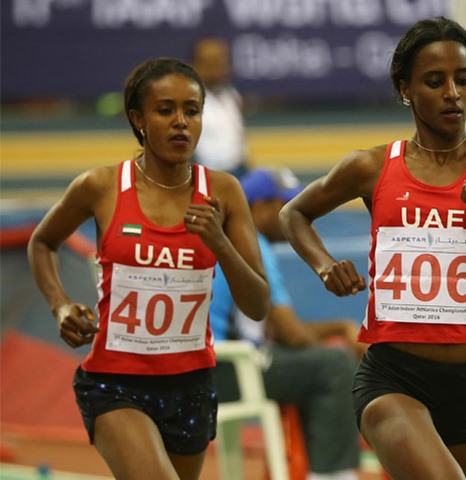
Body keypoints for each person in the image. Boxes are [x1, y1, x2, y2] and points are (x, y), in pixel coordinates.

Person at [279, 16, 466, 480]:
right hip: (392, 378)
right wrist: (324, 265)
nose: (453, 93)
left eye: (463, 79)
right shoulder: (371, 166)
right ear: (405, 89)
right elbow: (294, 214)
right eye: (435, 82)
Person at [27, 57, 270, 480]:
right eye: (165, 110)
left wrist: (219, 242)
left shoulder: (224, 191)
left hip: (191, 386)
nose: (181, 122)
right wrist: (60, 304)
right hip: (115, 383)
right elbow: (42, 242)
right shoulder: (101, 186)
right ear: (138, 120)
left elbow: (258, 304)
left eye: (192, 111)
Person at [210, 168, 363, 480]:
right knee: (333, 366)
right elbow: (291, 334)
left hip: (210, 366)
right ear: (259, 207)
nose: (291, 213)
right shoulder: (251, 244)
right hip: (226, 371)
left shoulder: (226, 238)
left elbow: (279, 331)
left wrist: (339, 329)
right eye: (284, 204)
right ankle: (333, 477)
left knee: (313, 365)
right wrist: (343, 335)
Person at [191, 36, 250, 178]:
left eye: (220, 61)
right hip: (207, 174)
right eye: (209, 63)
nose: (216, 68)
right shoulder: (189, 101)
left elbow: (238, 140)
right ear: (195, 65)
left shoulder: (232, 95)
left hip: (239, 171)